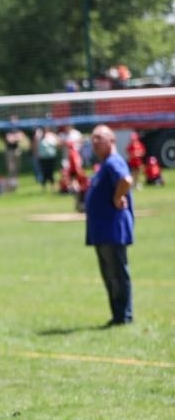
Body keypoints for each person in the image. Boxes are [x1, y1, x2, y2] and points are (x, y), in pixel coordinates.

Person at [84, 125, 134, 326]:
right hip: (102, 231)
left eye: (99, 138)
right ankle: (117, 315)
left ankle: (124, 316)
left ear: (111, 140)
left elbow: (126, 180)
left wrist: (117, 197)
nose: (95, 142)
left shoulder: (113, 162)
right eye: (93, 138)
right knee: (109, 275)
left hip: (113, 230)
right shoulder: (104, 164)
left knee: (117, 274)